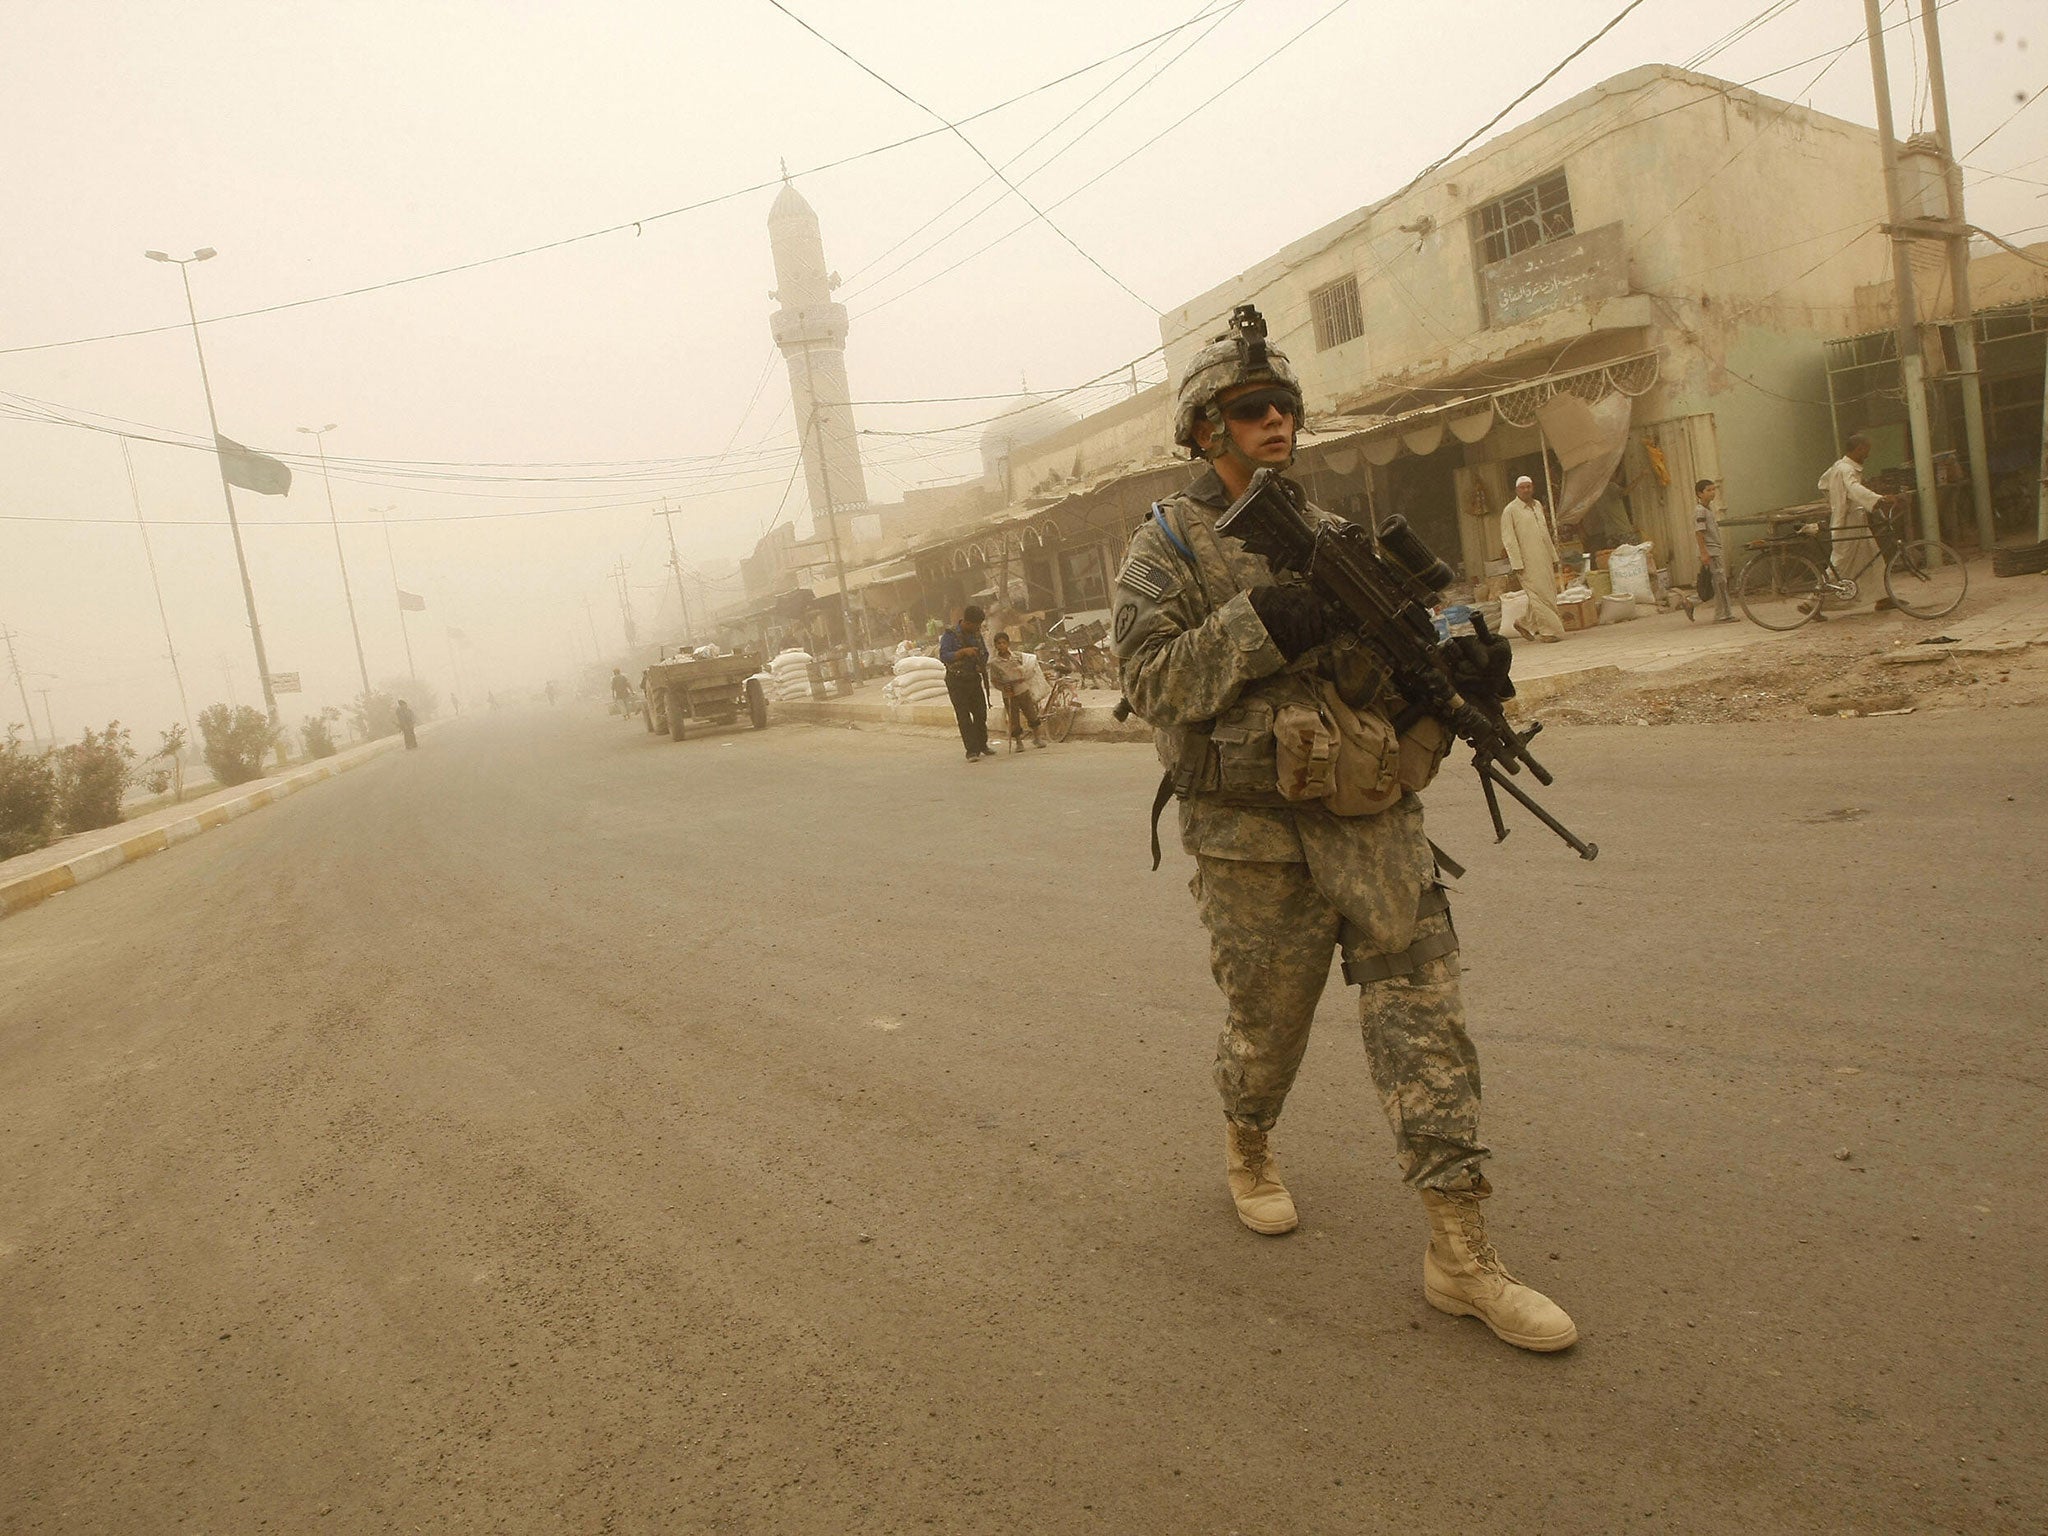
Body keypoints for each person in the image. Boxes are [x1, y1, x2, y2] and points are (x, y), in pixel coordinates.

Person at [1112, 306, 1576, 1353]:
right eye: (1249, 408)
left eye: (1284, 406)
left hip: (1370, 827)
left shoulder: (1333, 539)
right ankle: (1247, 1140)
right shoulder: (1164, 547)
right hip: (1250, 840)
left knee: (1425, 1024)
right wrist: (1262, 625)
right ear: (1202, 429)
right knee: (1267, 1031)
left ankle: (1459, 1253)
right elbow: (1148, 682)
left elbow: (1381, 677)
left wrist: (1453, 677)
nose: (1275, 420)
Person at [1817, 432, 1894, 612]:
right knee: (1840, 564)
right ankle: (1813, 602)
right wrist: (1878, 499)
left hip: (1853, 520)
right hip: (1847, 523)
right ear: (1859, 449)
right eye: (1867, 450)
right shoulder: (1847, 469)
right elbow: (1854, 488)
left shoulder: (1838, 466)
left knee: (1874, 559)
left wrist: (1837, 500)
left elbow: (1822, 484)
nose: (1868, 454)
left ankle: (1882, 598)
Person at [1500, 476, 1564, 643]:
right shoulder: (1510, 510)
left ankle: (1524, 623)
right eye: (1522, 487)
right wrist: (1517, 563)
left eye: (1529, 487)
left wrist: (1553, 556)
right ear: (1516, 490)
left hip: (1544, 557)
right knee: (1538, 595)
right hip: (1526, 561)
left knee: (1547, 593)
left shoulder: (1537, 506)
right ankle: (1547, 632)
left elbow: (1545, 533)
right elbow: (1509, 539)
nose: (1526, 490)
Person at [938, 604, 992, 762]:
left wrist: (981, 663)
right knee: (964, 716)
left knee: (981, 713)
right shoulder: (950, 635)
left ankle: (983, 744)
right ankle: (971, 751)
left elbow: (985, 652)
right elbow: (944, 656)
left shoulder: (976, 634)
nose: (978, 628)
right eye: (976, 625)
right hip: (957, 681)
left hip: (973, 678)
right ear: (967, 623)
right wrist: (962, 653)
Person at [988, 632, 1047, 752]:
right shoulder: (994, 663)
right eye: (999, 643)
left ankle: (1037, 738)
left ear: (1008, 644)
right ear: (995, 645)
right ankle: (1019, 743)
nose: (1001, 645)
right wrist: (1004, 688)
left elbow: (1028, 668)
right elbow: (994, 681)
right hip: (1008, 693)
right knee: (1014, 719)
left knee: (1031, 714)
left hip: (1022, 689)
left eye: (1004, 643)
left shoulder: (1018, 657)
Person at [1691, 478, 1736, 623]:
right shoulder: (1700, 511)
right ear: (1699, 493)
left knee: (1713, 583)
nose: (1712, 493)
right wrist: (1704, 553)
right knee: (1720, 583)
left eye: (1713, 489)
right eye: (1708, 490)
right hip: (1710, 552)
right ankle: (1723, 615)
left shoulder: (1707, 509)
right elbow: (1699, 532)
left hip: (1713, 550)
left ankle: (1690, 602)